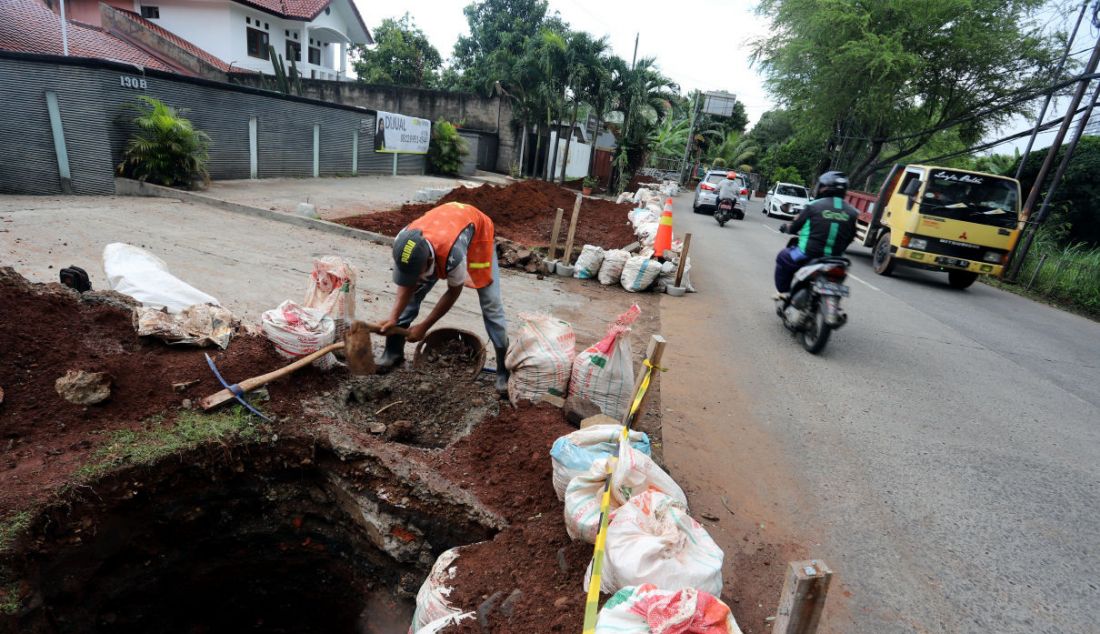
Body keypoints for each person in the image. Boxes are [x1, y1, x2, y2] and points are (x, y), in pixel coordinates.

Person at [377, 201, 510, 392]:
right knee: (412, 295)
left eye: (417, 274)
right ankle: (393, 353)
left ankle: (503, 371)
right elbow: (406, 286)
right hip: (445, 225)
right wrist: (393, 319)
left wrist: (424, 327)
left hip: (477, 233)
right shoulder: (403, 241)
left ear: (429, 261)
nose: (413, 279)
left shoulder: (452, 255)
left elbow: (453, 293)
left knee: (491, 304)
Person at [773, 171, 859, 298]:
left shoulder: (813, 206)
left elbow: (794, 227)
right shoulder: (853, 212)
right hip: (836, 259)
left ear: (824, 188)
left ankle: (784, 293)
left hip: (808, 255)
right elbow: (851, 237)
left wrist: (786, 228)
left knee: (783, 257)